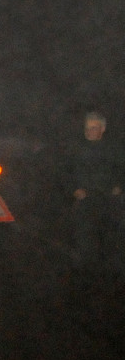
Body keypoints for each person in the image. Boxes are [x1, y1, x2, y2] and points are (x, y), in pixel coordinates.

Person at [63, 111, 124, 268]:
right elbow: (65, 173)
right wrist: (74, 189)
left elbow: (120, 171)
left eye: (94, 128)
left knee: (111, 243)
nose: (89, 132)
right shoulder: (76, 149)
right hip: (86, 203)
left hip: (108, 202)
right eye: (87, 128)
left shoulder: (113, 149)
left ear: (102, 129)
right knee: (85, 245)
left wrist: (119, 187)